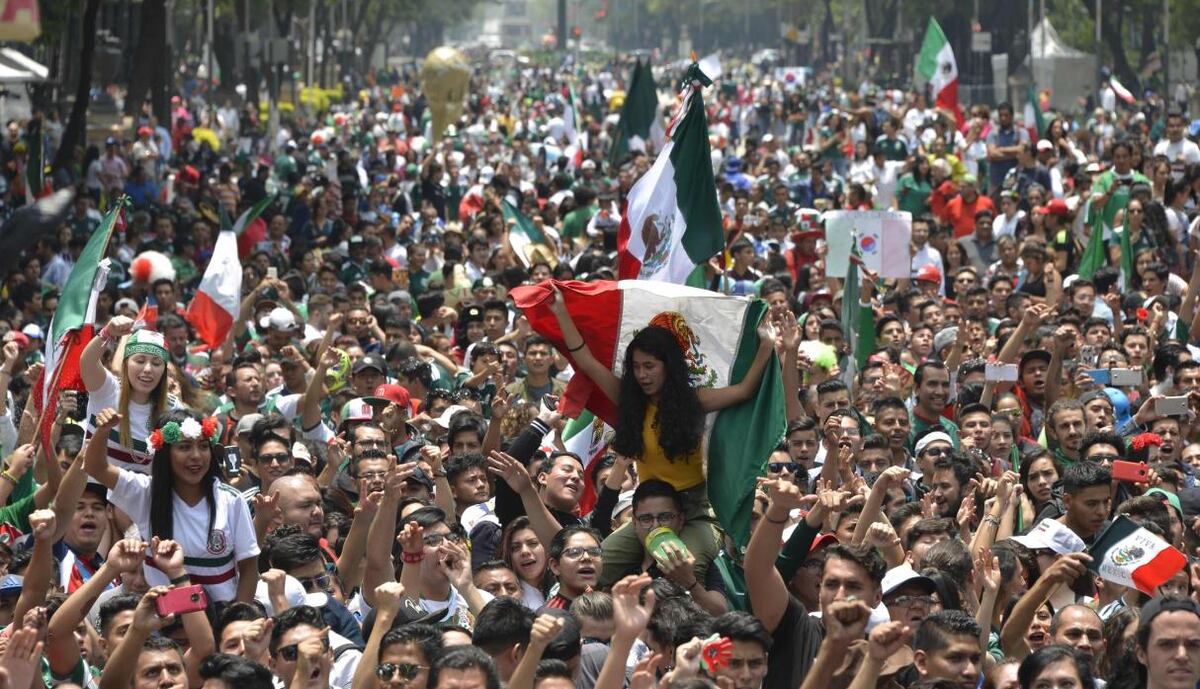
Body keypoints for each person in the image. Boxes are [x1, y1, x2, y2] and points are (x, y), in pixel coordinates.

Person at [548, 284, 774, 587]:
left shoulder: (696, 401)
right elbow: (586, 361)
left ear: (669, 367)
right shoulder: (628, 400)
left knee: (679, 578)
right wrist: (561, 311)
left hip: (695, 514)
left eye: (650, 367)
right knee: (590, 572)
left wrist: (767, 345)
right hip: (647, 513)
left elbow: (745, 390)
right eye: (637, 367)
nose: (642, 375)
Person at [84, 407, 260, 602]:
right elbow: (95, 467)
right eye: (184, 447)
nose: (196, 455)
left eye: (203, 446)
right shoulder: (144, 493)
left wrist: (238, 619)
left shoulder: (232, 500)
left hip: (222, 622)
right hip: (163, 622)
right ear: (165, 453)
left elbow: (249, 568)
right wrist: (102, 431)